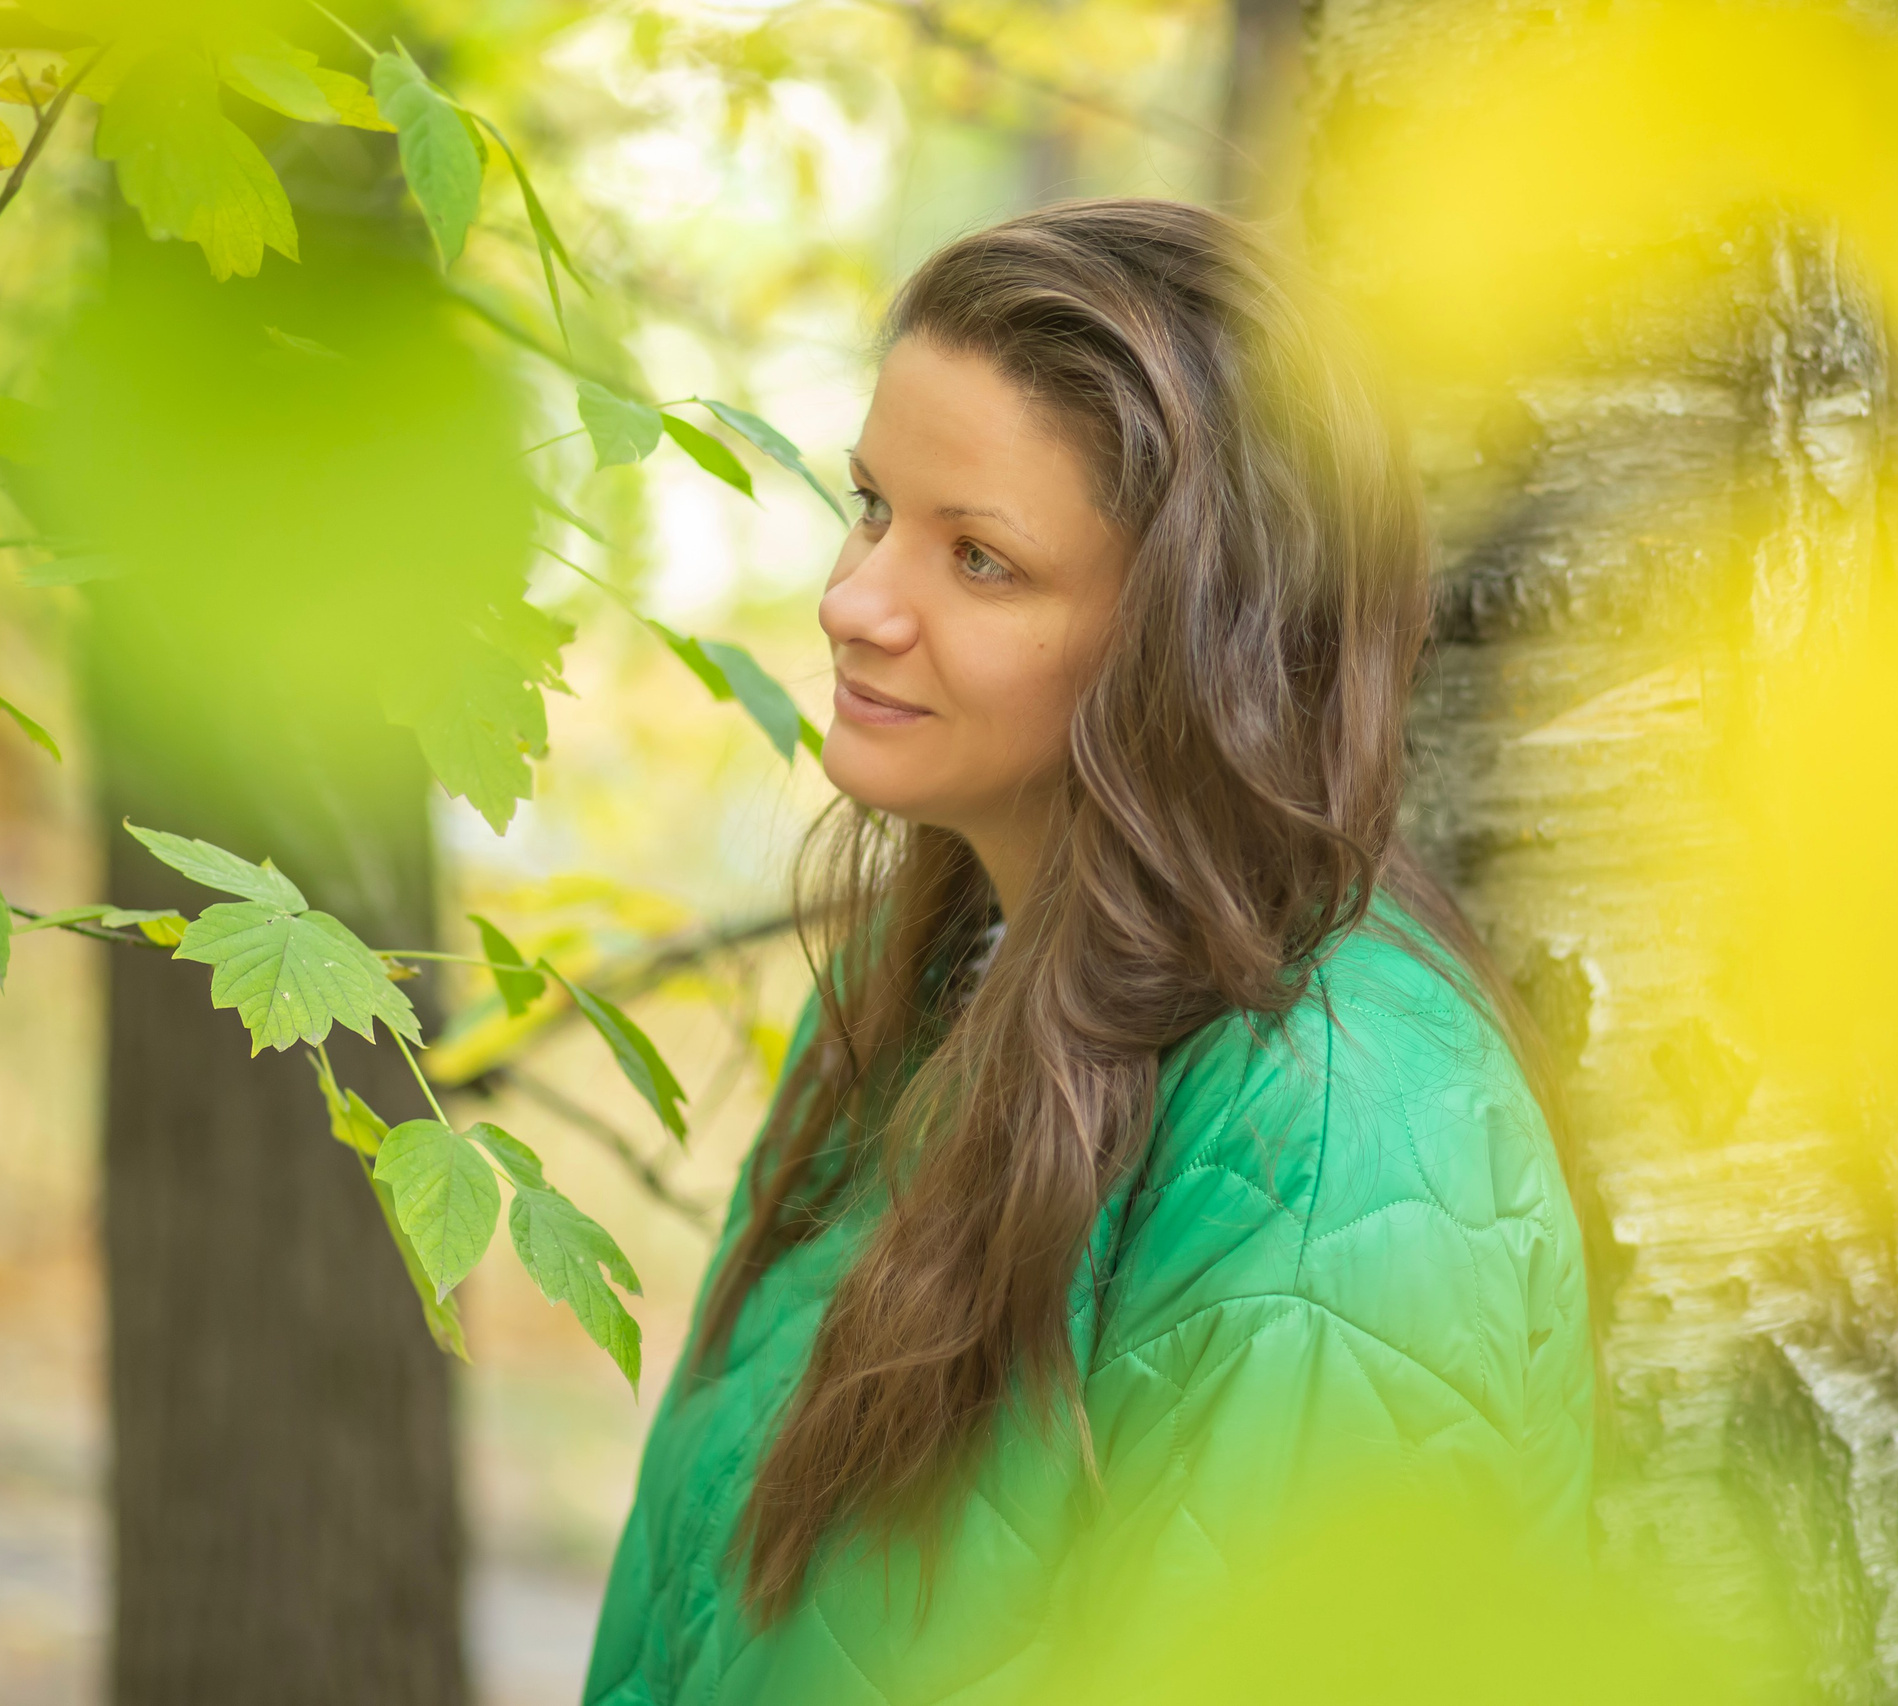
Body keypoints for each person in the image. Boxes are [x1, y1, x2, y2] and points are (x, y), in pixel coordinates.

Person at [583, 198, 1593, 1706]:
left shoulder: (1333, 1132)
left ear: (1199, 642)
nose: (854, 603)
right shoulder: (917, 989)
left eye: (979, 559)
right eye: (872, 506)